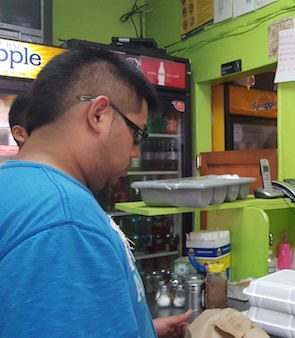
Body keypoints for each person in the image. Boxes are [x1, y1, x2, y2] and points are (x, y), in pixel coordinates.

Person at [0, 48, 192, 337]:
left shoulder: (16, 184)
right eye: (137, 133)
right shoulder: (65, 220)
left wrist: (143, 329)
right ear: (98, 114)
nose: (136, 152)